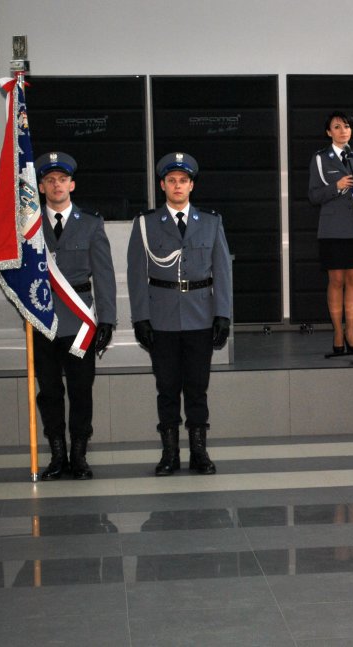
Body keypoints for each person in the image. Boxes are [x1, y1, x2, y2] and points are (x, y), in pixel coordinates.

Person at [127, 152, 232, 476]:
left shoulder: (211, 222)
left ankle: (199, 453)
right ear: (162, 185)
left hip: (201, 316)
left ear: (191, 185)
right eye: (171, 180)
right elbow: (136, 274)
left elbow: (223, 270)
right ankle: (169, 454)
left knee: (197, 388)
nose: (177, 186)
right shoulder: (146, 224)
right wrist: (140, 317)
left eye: (183, 181)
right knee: (167, 388)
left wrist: (223, 314)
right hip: (162, 319)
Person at [32, 152, 116, 481]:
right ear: (41, 187)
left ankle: (79, 455)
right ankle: (57, 455)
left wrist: (107, 319)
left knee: (81, 391)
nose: (57, 185)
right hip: (42, 322)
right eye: (50, 180)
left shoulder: (91, 223)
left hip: (80, 323)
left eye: (62, 179)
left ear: (72, 184)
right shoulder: (29, 225)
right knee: (49, 392)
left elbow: (104, 275)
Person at [308, 111, 353, 354]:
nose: (344, 131)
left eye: (347, 126)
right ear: (329, 132)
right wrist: (337, 186)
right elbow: (314, 196)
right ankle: (338, 333)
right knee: (336, 280)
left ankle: (351, 332)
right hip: (331, 228)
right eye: (338, 127)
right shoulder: (320, 158)